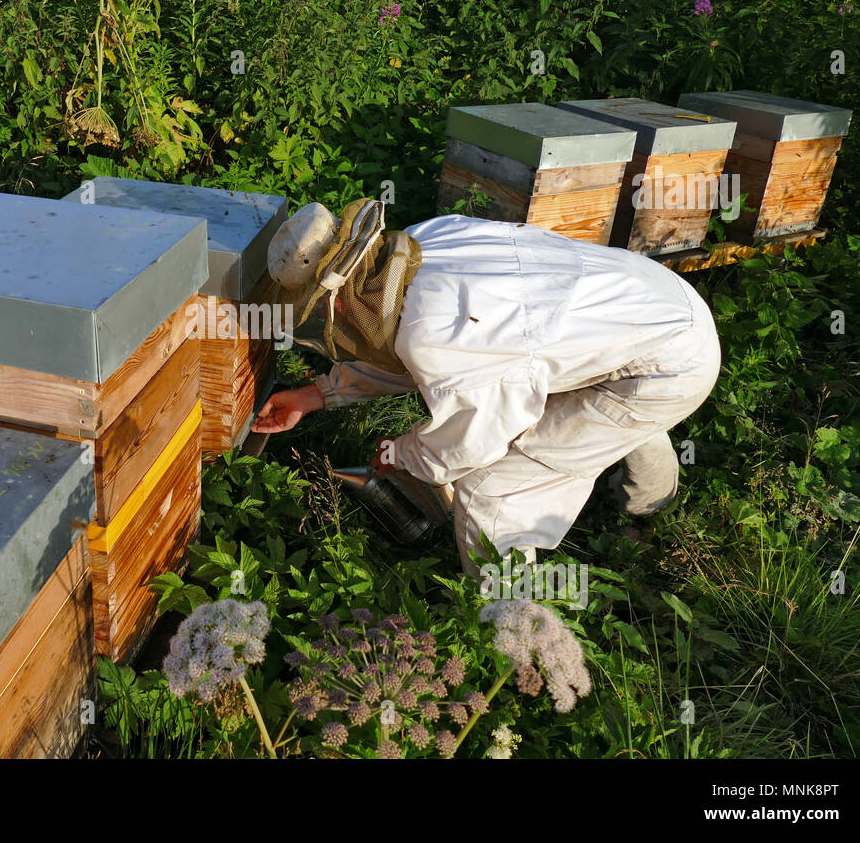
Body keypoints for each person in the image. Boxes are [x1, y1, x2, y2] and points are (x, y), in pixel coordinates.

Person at [252, 198, 721, 574]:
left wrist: (402, 454)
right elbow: (405, 349)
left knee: (491, 488)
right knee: (588, 403)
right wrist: (317, 394)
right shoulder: (420, 244)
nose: (320, 318)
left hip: (664, 368)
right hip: (648, 301)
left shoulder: (440, 335)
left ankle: (509, 633)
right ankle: (650, 498)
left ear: (337, 295)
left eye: (314, 307)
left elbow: (468, 442)